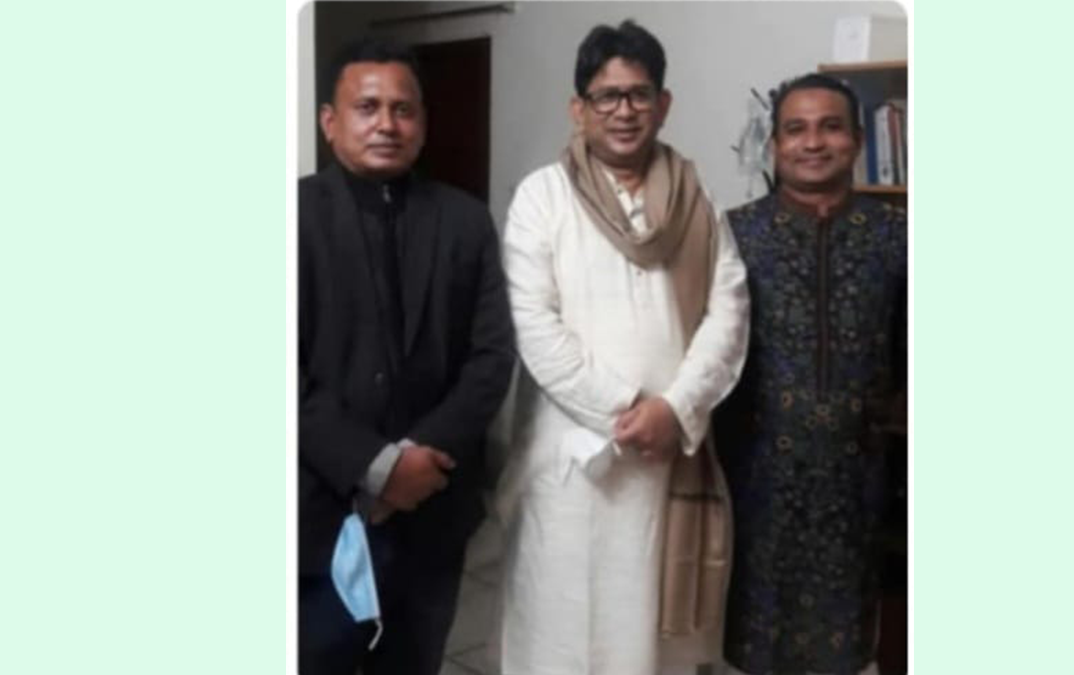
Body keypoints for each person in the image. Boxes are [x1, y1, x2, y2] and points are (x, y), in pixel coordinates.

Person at [495, 19, 750, 675]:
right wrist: (629, 407)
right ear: (578, 108)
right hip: (571, 460)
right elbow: (534, 325)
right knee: (561, 624)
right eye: (607, 95)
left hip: (668, 455)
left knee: (648, 635)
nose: (624, 110)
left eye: (639, 94)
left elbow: (728, 309)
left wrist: (675, 409)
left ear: (663, 104)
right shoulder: (541, 197)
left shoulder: (695, 197)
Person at [298, 38, 515, 675]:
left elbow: (491, 356)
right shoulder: (288, 219)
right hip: (319, 511)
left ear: (422, 122)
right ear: (330, 122)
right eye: (367, 108)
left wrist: (417, 462)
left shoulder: (466, 221)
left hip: (433, 513)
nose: (387, 124)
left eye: (403, 109)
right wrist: (376, 467)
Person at [714, 74, 907, 675]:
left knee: (847, 638)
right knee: (754, 634)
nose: (813, 142)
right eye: (795, 129)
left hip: (860, 473)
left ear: (856, 141)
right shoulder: (733, 234)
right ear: (775, 145)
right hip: (757, 471)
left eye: (830, 127)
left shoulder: (898, 235)